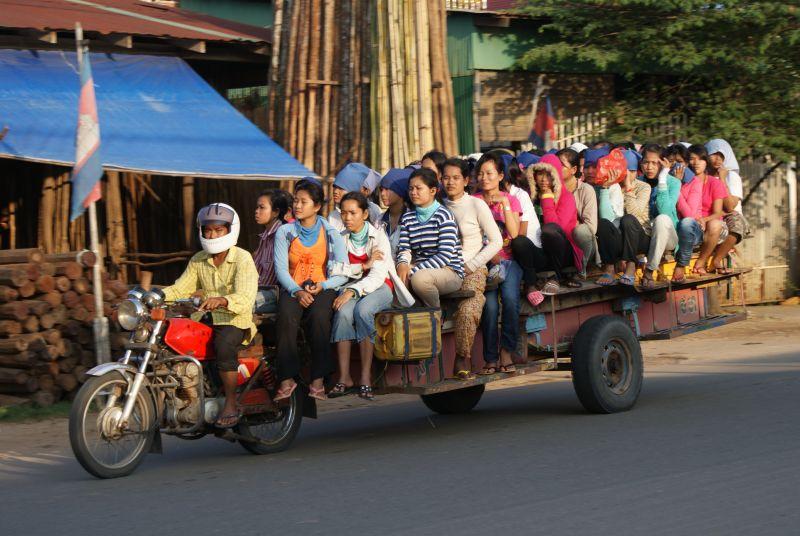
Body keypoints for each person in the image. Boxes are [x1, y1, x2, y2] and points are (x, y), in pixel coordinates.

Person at [162, 203, 258, 429]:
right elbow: (179, 289)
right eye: (208, 230)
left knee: (224, 345)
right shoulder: (198, 259)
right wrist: (153, 296)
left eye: (218, 230)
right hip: (205, 319)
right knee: (171, 341)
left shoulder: (243, 259)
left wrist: (223, 300)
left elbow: (245, 296)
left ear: (230, 230)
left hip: (235, 321)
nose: (212, 234)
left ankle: (231, 404)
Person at [273, 179, 349, 401]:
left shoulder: (330, 233)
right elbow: (280, 270)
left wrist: (322, 287)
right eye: (295, 200)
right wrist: (297, 291)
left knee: (319, 317)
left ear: (316, 206)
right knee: (286, 315)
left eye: (303, 202)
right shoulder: (285, 232)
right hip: (293, 287)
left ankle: (318, 380)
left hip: (322, 286)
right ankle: (287, 378)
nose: (297, 206)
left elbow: (342, 273)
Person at [329, 192, 399, 401]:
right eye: (344, 213)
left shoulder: (378, 237)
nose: (347, 218)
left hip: (380, 288)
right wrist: (364, 265)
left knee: (363, 310)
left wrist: (353, 288)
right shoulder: (340, 238)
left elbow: (378, 275)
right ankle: (344, 377)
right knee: (342, 313)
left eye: (353, 213)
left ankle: (366, 377)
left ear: (365, 213)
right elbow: (334, 270)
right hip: (352, 287)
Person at [442, 157, 502, 379]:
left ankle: (462, 356)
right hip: (442, 269)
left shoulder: (476, 204)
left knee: (469, 308)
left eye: (456, 178)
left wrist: (472, 265)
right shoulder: (437, 206)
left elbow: (495, 241)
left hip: (473, 268)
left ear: (466, 180)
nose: (450, 182)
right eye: (446, 178)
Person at [471, 152, 526, 374]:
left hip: (509, 260)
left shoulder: (511, 199)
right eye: (481, 174)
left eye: (490, 173)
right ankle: (491, 358)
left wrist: (504, 204)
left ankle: (506, 351)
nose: (484, 178)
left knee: (511, 300)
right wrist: (487, 254)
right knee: (490, 307)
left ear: (501, 175)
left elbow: (513, 233)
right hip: (485, 262)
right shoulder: (472, 201)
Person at [396, 168, 465, 308]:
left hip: (449, 271)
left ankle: (435, 316)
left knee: (419, 280)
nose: (413, 192)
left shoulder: (443, 216)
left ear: (433, 191)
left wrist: (412, 271)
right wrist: (402, 264)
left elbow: (445, 255)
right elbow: (404, 248)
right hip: (419, 268)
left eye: (418, 188)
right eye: (410, 188)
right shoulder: (408, 217)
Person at [527, 154, 585, 294]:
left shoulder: (566, 197)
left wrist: (547, 197)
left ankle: (556, 276)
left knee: (550, 231)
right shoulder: (531, 197)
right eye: (539, 174)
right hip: (542, 250)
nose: (543, 179)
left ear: (556, 175)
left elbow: (556, 228)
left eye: (548, 174)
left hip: (564, 253)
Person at [594, 150, 652, 286]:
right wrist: (606, 188)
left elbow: (635, 214)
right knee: (602, 223)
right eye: (624, 170)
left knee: (628, 219)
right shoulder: (609, 185)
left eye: (631, 171)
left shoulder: (643, 187)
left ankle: (631, 267)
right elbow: (606, 218)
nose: (627, 174)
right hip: (620, 238)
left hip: (640, 237)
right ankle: (609, 268)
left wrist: (628, 189)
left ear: (637, 172)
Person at [673, 145, 727, 281]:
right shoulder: (682, 181)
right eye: (692, 159)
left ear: (706, 162)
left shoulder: (715, 183)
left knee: (714, 224)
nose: (696, 163)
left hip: (711, 225)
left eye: (701, 159)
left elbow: (718, 212)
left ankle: (701, 262)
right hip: (689, 223)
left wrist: (704, 219)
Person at [638, 144, 682, 288]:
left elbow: (665, 210)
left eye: (654, 163)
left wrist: (663, 178)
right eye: (645, 162)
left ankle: (649, 271)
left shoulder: (673, 182)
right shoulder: (638, 182)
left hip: (668, 237)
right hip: (645, 234)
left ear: (663, 163)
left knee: (661, 219)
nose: (649, 167)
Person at [706, 138, 749, 273]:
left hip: (730, 215)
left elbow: (730, 206)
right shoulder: (703, 175)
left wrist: (722, 179)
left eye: (722, 156)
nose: (718, 159)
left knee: (737, 226)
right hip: (710, 212)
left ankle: (716, 260)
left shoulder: (732, 177)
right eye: (714, 154)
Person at [558, 147, 598, 275]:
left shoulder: (586, 190)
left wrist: (570, 223)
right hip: (561, 239)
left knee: (581, 231)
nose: (556, 169)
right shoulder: (552, 190)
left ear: (574, 170)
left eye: (561, 165)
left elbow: (591, 228)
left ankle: (581, 268)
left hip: (582, 243)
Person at [252, 189, 290, 314]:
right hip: (257, 290)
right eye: (257, 207)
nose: (257, 211)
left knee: (237, 304)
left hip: (275, 294)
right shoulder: (265, 236)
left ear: (276, 212)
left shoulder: (282, 234)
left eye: (262, 207)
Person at [329, 163, 383, 231]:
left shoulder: (374, 211)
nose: (335, 191)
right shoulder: (333, 216)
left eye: (341, 188)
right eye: (335, 187)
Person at [379, 167, 412, 259]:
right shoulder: (379, 220)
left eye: (388, 189)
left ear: (401, 191)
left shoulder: (412, 220)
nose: (382, 193)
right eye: (381, 189)